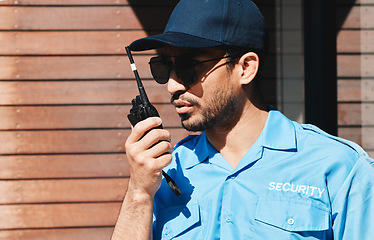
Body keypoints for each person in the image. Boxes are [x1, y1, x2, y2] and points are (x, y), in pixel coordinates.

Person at [111, 0, 374, 239]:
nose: (171, 85)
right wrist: (139, 192)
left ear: (246, 68)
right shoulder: (164, 173)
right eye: (163, 68)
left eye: (187, 67)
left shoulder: (340, 168)